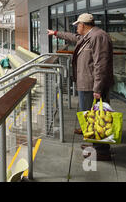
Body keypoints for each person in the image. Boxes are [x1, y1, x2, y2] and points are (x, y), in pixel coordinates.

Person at [47, 13, 114, 161]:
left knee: (98, 117)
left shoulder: (98, 37)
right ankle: (94, 143)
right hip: (86, 83)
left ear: (83, 25)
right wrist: (56, 33)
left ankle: (102, 151)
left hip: (92, 85)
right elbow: (73, 37)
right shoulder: (88, 36)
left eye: (78, 25)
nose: (77, 27)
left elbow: (101, 64)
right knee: (90, 115)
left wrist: (98, 88)